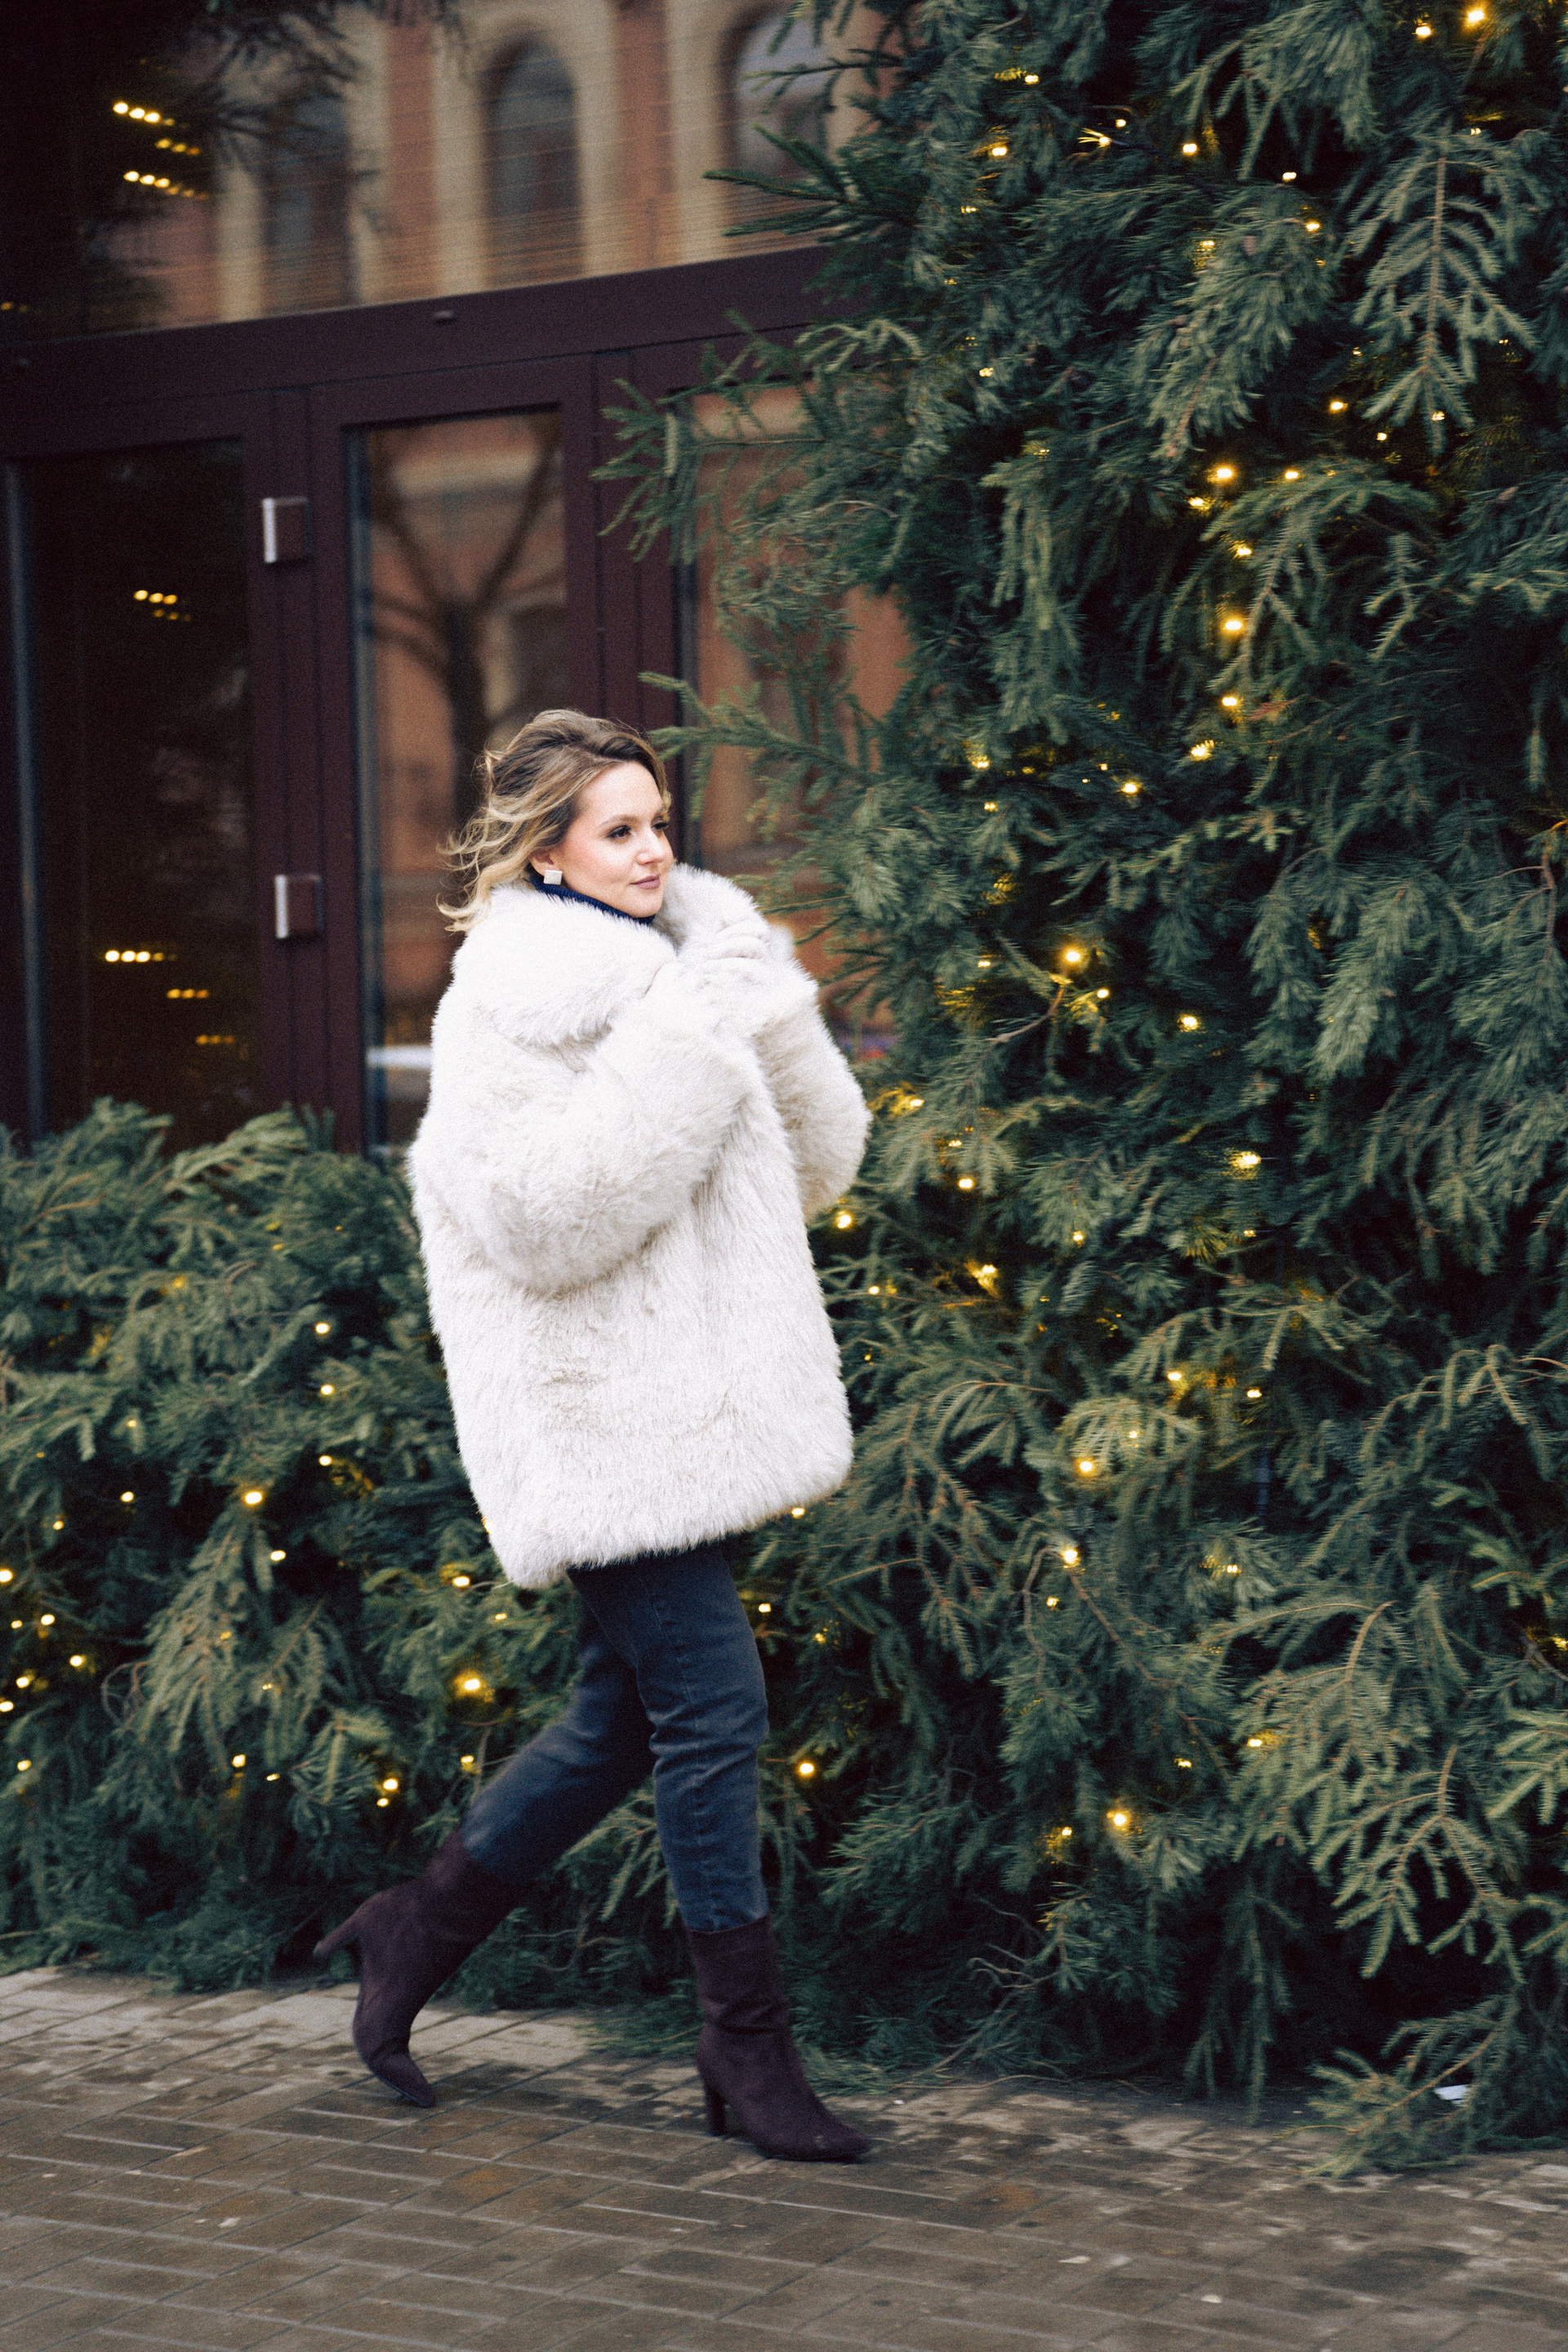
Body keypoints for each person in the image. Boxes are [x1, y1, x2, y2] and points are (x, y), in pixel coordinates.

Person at [316, 708, 871, 2161]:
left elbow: (818, 1166)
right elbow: (544, 1221)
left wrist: (759, 1001)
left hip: (692, 1410)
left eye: (660, 822)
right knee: (716, 1708)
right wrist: (689, 1036)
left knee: (621, 1719)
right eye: (618, 829)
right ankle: (745, 2044)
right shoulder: (505, 1006)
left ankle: (411, 1931)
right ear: (546, 852)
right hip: (598, 1425)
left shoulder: (688, 970)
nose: (653, 850)